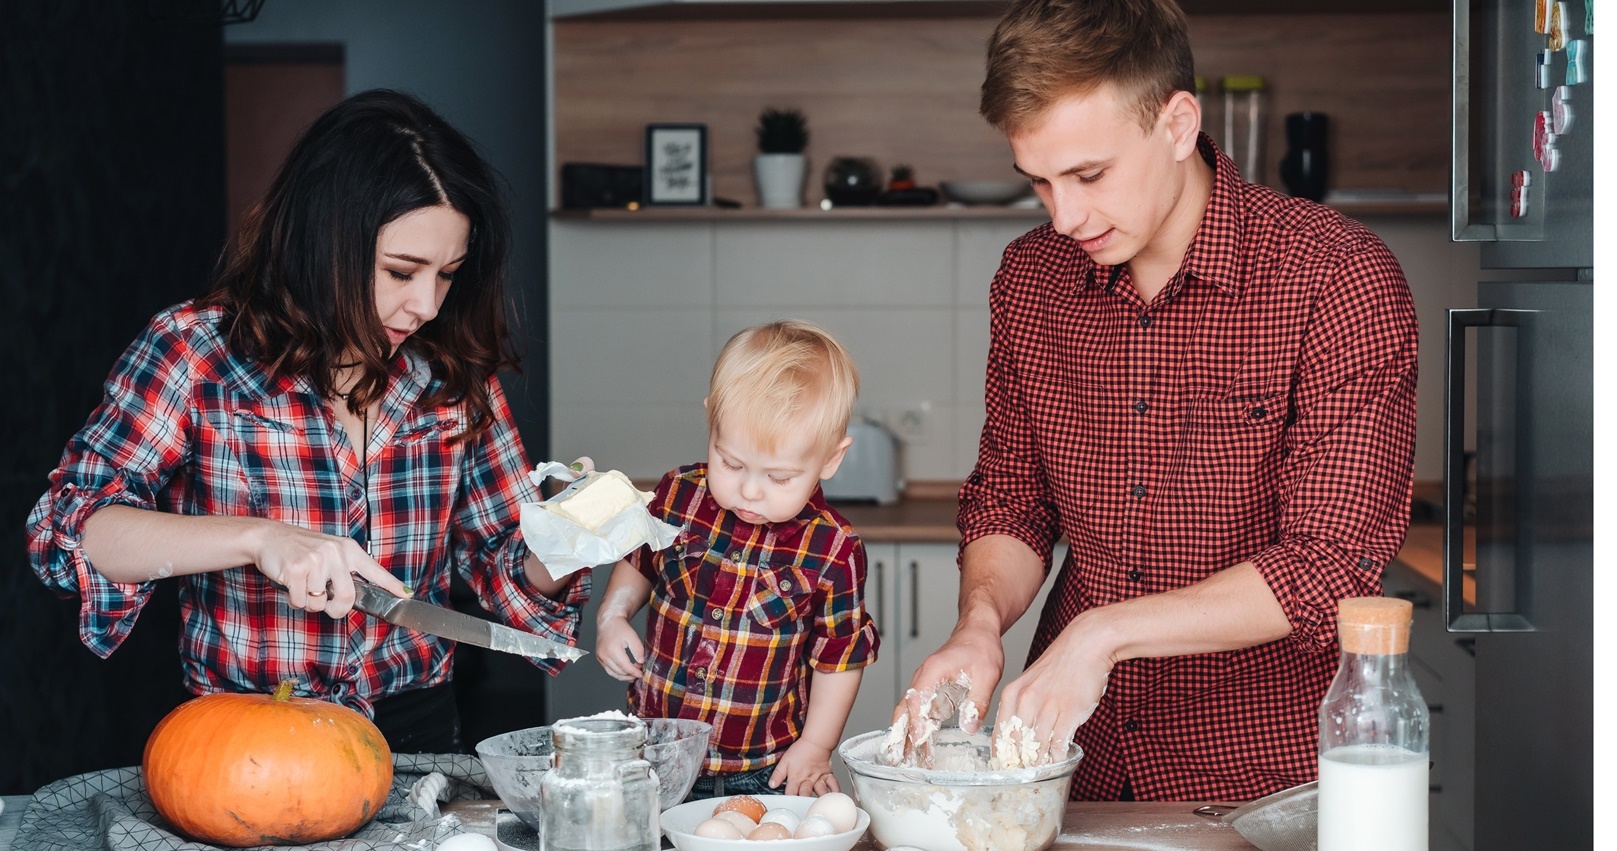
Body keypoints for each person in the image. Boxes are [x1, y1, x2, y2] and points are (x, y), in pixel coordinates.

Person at [896, 0, 1418, 802]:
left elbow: (1327, 566)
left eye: (1088, 174)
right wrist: (977, 628)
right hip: (1077, 765)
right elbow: (1012, 500)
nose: (1063, 216)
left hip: (1263, 780)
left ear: (1177, 124)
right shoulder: (1031, 282)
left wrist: (1101, 634)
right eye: (1038, 181)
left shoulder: (1333, 278)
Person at [26, 89, 589, 754]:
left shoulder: (452, 373)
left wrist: (575, 536)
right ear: (323, 240)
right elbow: (67, 532)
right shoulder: (196, 350)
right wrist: (259, 539)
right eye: (401, 271)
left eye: (447, 275)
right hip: (247, 735)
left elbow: (504, 565)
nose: (427, 305)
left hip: (417, 731)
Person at [594, 321, 878, 798]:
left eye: (780, 477)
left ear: (830, 459)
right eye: (730, 462)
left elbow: (840, 657)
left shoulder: (834, 549)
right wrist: (612, 615)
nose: (749, 489)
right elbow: (640, 559)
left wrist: (816, 745)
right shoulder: (679, 494)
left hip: (760, 769)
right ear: (712, 421)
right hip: (652, 756)